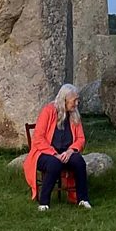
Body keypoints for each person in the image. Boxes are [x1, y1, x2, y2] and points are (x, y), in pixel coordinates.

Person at [24, 83, 92, 211]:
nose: (77, 103)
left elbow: (81, 139)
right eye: (74, 100)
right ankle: (44, 202)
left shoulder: (74, 114)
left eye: (78, 100)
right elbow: (38, 138)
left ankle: (83, 199)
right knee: (54, 164)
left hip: (66, 152)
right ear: (64, 100)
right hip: (44, 153)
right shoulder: (48, 111)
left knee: (79, 162)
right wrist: (54, 154)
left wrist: (71, 151)